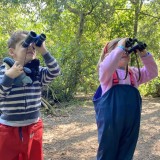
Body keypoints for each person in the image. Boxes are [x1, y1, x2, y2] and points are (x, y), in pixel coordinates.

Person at [93, 38, 158, 160]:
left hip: (131, 124)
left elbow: (153, 72)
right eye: (119, 50)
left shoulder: (133, 74)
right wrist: (121, 46)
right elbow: (107, 65)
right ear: (109, 55)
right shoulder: (106, 74)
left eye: (127, 50)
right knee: (108, 153)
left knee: (126, 153)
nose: (124, 51)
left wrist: (144, 54)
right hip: (111, 127)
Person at [0, 30, 61, 160]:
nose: (31, 48)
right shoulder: (3, 72)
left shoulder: (38, 72)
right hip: (8, 128)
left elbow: (55, 71)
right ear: (12, 52)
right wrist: (9, 76)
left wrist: (43, 50)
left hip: (34, 126)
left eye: (33, 45)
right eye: (25, 44)